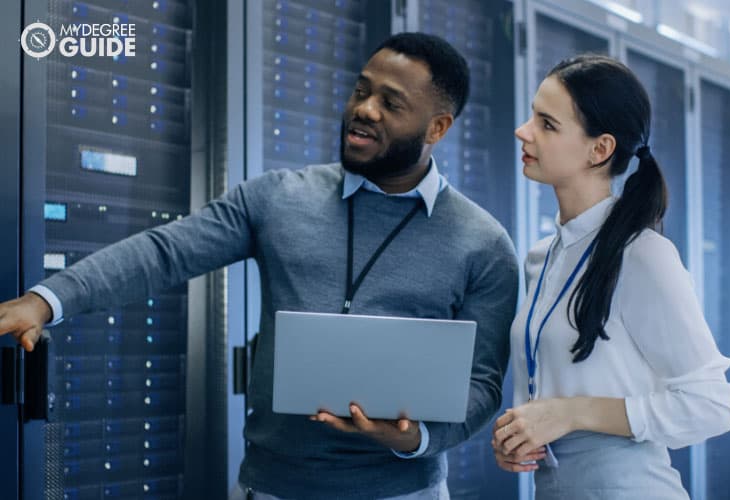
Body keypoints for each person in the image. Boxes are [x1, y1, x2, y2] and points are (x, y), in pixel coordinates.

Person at [0, 33, 519, 499]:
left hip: (402, 493)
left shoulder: (483, 244)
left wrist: (416, 438)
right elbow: (164, 252)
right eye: (361, 91)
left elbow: (482, 385)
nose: (365, 109)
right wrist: (47, 300)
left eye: (391, 103)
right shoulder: (278, 199)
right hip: (269, 488)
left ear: (438, 127)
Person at [491, 54, 730, 499]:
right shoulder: (540, 257)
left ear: (599, 149)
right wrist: (525, 435)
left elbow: (711, 406)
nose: (523, 131)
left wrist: (572, 414)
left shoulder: (643, 257)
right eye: (532, 117)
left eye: (547, 124)